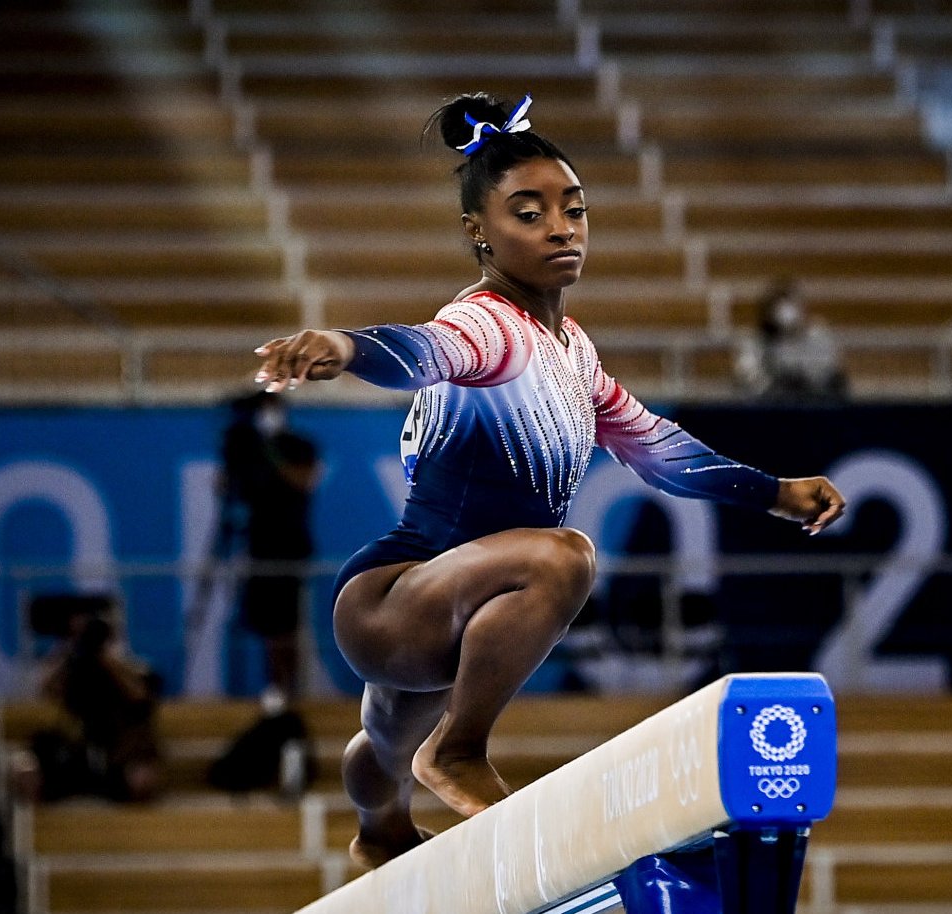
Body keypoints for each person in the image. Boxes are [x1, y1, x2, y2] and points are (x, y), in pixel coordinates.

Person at [250, 92, 847, 868]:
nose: (560, 227)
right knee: (564, 556)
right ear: (479, 233)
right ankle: (458, 750)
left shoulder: (572, 351)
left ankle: (381, 831)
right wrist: (342, 345)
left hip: (443, 610)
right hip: (402, 599)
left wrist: (773, 491)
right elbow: (421, 349)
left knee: (385, 743)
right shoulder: (488, 325)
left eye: (574, 209)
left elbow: (656, 446)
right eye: (528, 213)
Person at [216, 391, 321, 704]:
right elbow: (225, 489)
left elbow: (303, 481)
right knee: (265, 625)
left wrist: (271, 450)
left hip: (289, 545)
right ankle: (273, 689)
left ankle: (290, 690)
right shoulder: (245, 448)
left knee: (285, 625)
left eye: (269, 407)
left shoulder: (298, 445)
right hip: (258, 545)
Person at [10, 595, 163, 803]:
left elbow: (140, 694)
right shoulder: (73, 666)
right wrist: (71, 647)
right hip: (78, 752)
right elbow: (45, 689)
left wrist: (105, 656)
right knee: (24, 768)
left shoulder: (132, 669)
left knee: (142, 778)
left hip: (120, 753)